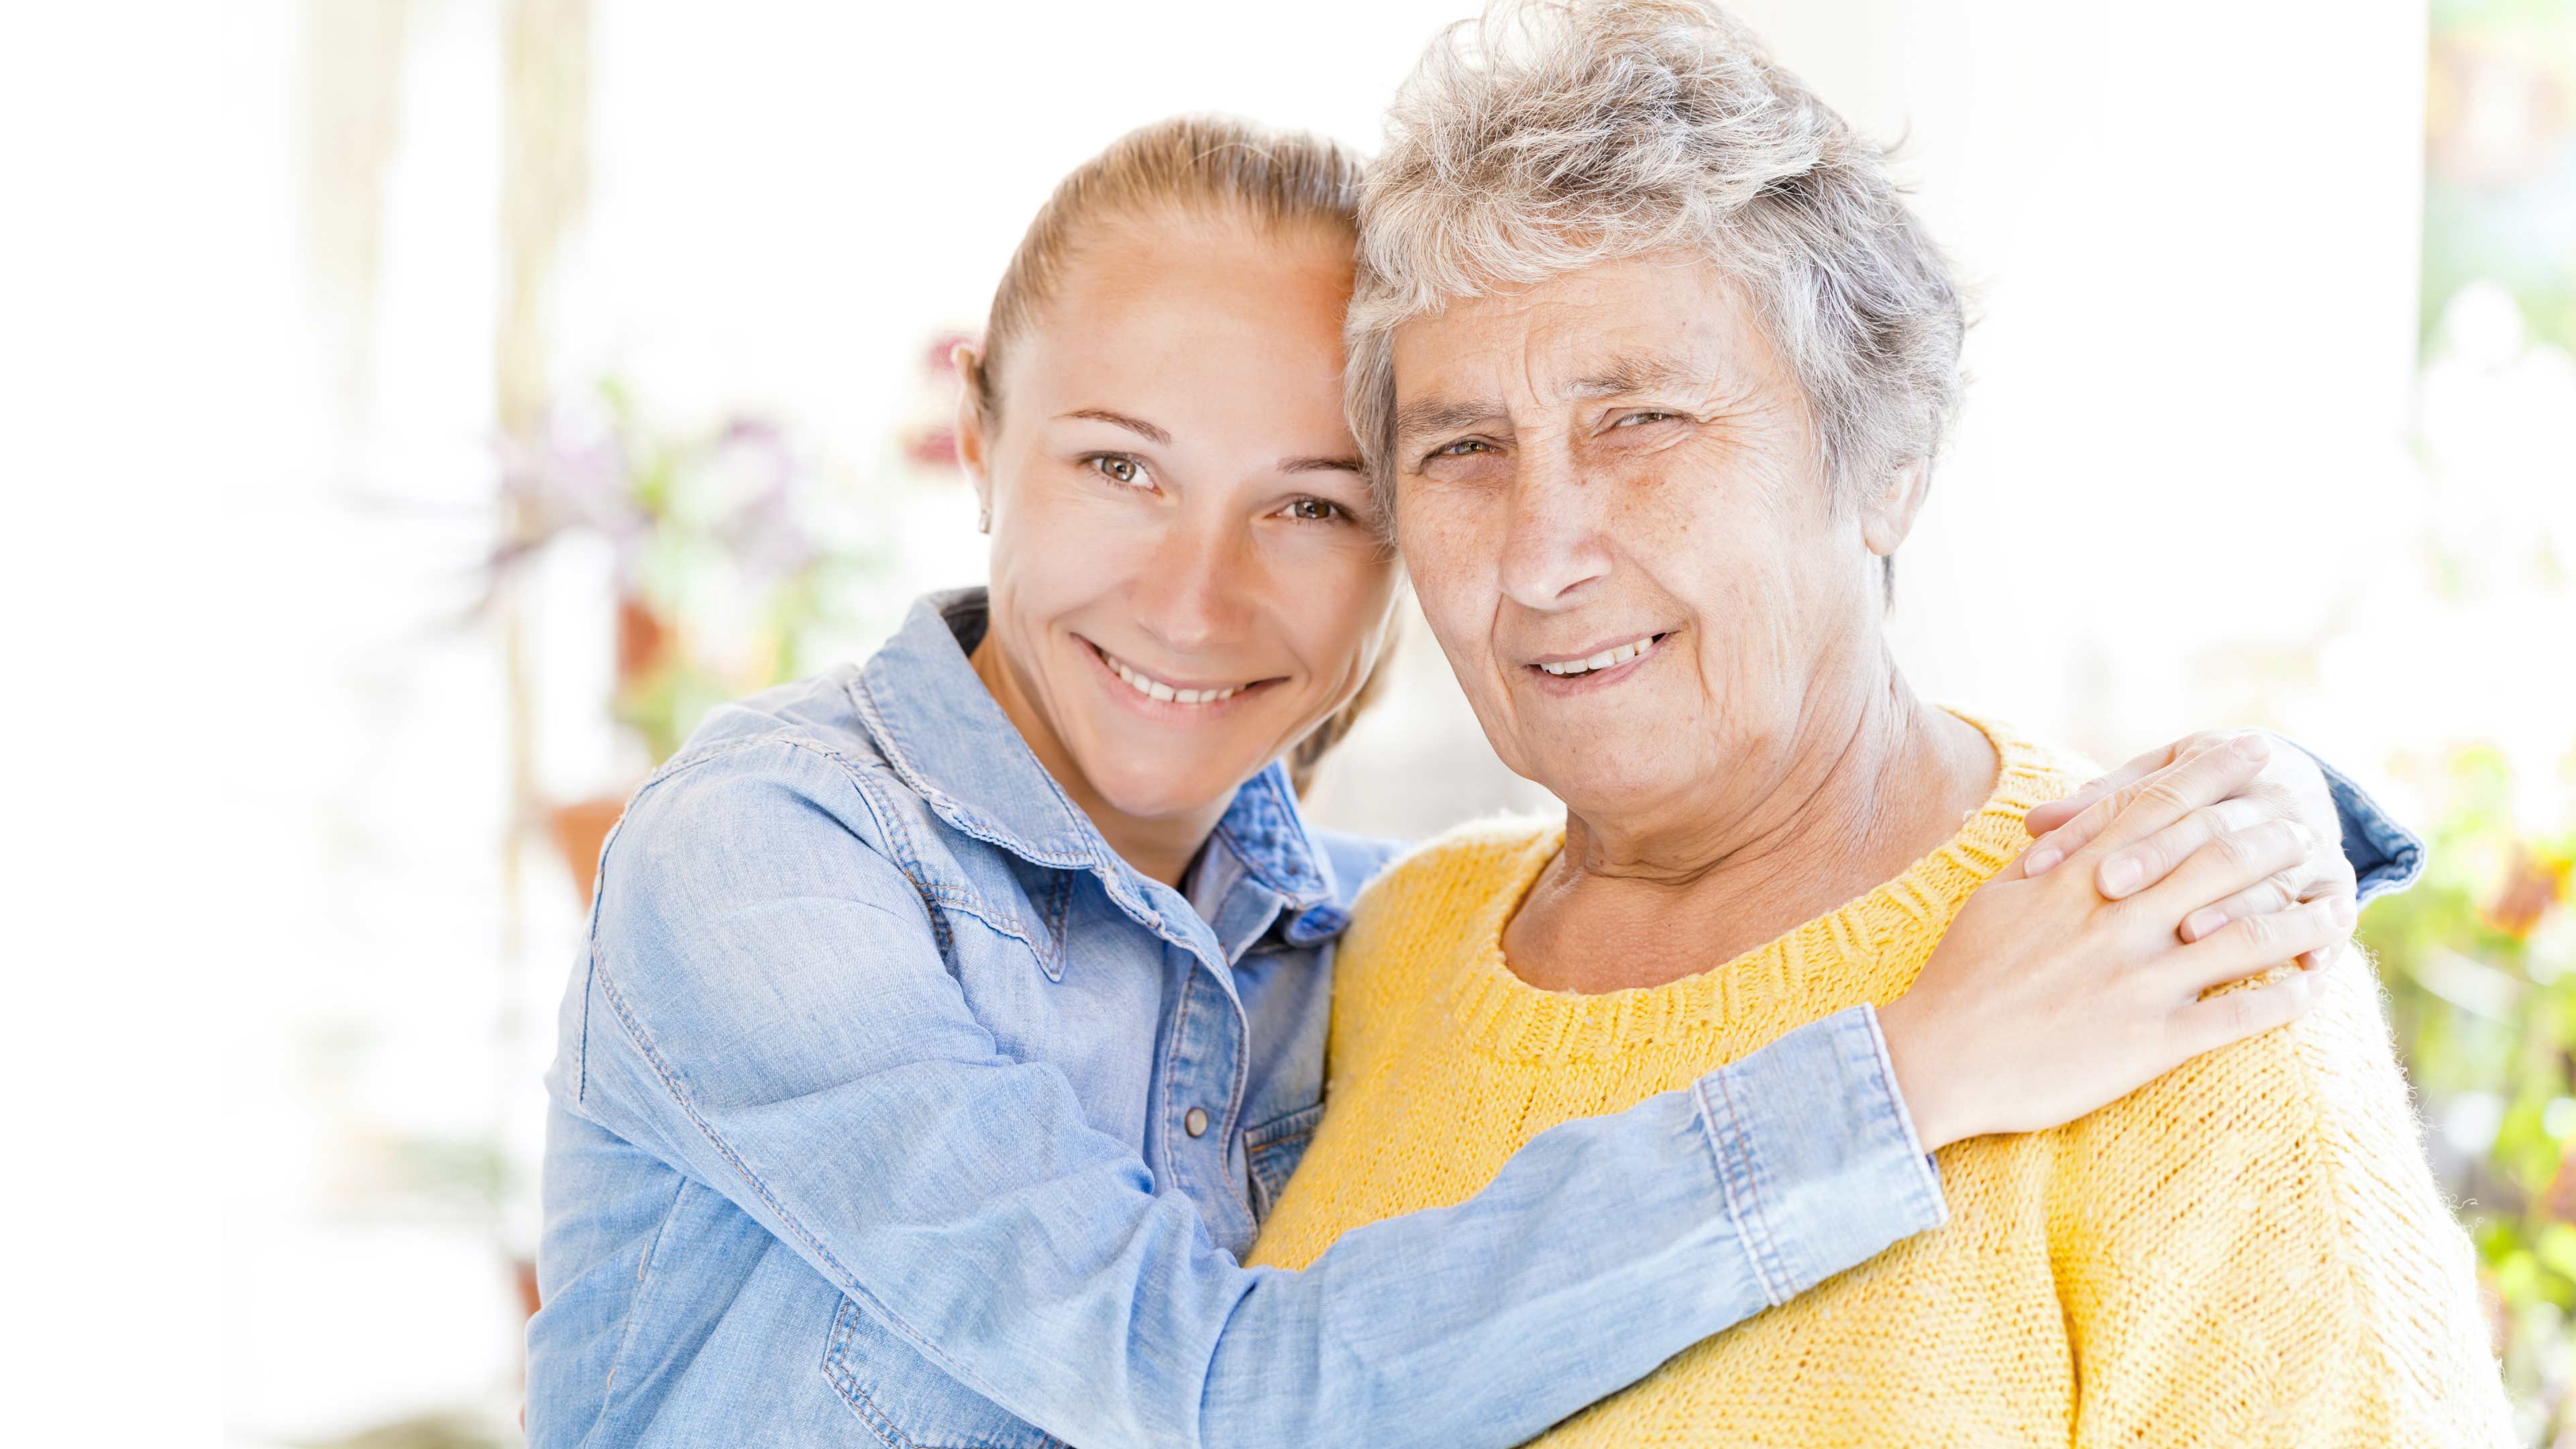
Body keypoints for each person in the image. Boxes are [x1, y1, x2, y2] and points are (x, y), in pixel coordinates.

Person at [525, 112, 2419, 1448]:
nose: (1196, 592)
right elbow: (1219, 1398)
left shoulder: (1361, 933)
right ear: (981, 441)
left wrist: (2268, 814)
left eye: (1317, 501)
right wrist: (1902, 1077)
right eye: (1119, 467)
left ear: (1887, 462)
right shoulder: (778, 862)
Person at [1244, 4, 2512, 1444]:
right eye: (1464, 449)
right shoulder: (1388, 956)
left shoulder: (2175, 969)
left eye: (1641, 421)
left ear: (1888, 462)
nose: (1541, 557)